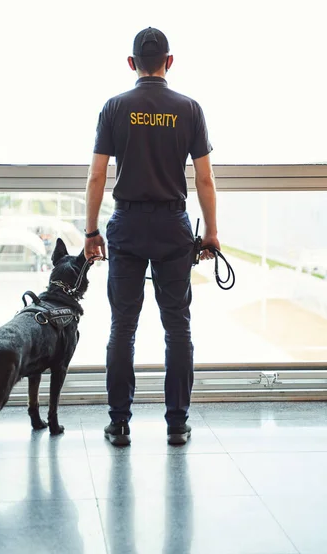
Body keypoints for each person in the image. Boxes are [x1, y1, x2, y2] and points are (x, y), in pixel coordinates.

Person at [84, 27, 219, 446]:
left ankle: (119, 423)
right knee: (177, 326)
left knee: (123, 326)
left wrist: (90, 231)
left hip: (126, 224)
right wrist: (211, 232)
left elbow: (97, 175)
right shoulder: (189, 109)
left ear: (131, 64)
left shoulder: (114, 107)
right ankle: (177, 423)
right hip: (172, 225)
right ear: (169, 62)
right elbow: (205, 180)